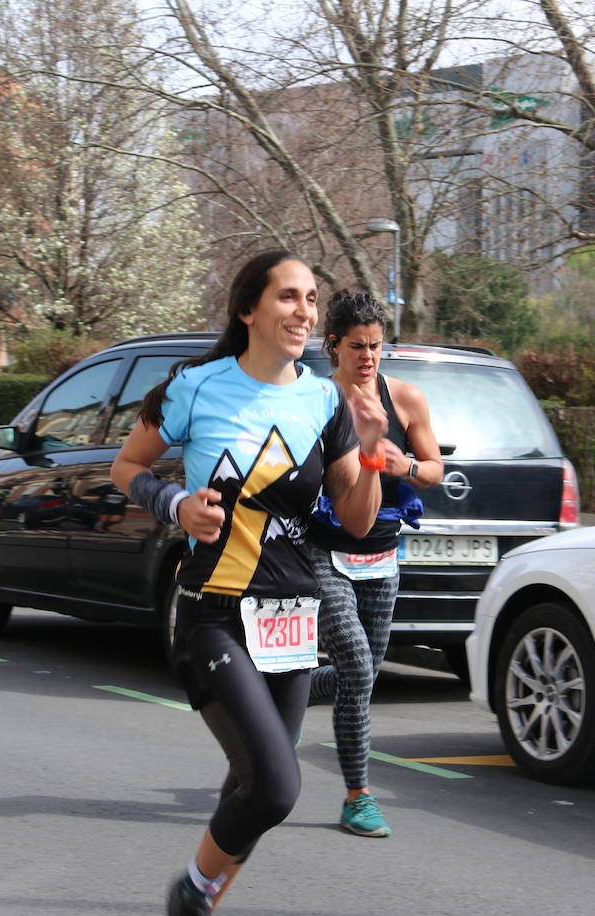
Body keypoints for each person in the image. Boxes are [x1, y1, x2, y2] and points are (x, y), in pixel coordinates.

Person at [112, 251, 388, 915]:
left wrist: (375, 452)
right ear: (249, 310)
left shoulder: (326, 399)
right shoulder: (197, 387)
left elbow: (355, 519)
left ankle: (201, 899)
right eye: (289, 297)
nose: (305, 311)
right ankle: (192, 893)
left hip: (291, 622)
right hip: (213, 614)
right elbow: (126, 467)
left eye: (312, 299)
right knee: (275, 788)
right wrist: (175, 504)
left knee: (250, 783)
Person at [306, 290, 442, 838]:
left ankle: (290, 688)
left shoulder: (406, 398)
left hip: (383, 556)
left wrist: (404, 464)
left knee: (358, 676)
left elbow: (434, 468)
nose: (367, 357)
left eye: (376, 346)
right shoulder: (313, 401)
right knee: (359, 670)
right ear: (333, 346)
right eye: (357, 347)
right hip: (323, 552)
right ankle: (358, 796)